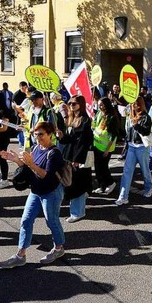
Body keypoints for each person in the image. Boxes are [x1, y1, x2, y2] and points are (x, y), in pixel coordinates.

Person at [0, 122, 66, 267]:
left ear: (50, 135)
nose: (37, 137)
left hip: (51, 192)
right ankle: (20, 255)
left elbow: (45, 175)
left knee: (51, 221)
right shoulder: (35, 148)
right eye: (35, 134)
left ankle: (59, 248)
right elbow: (29, 172)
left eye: (41, 134)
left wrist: (30, 164)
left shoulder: (54, 153)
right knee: (26, 221)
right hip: (35, 191)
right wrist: (16, 160)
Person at [115, 96, 152, 206]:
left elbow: (146, 132)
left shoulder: (146, 117)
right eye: (133, 104)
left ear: (141, 104)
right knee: (127, 172)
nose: (135, 106)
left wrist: (136, 126)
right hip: (132, 147)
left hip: (142, 147)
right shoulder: (130, 116)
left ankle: (149, 188)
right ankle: (123, 197)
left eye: (137, 104)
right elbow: (128, 132)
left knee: (145, 170)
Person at [61, 95, 93, 223]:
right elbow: (69, 139)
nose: (71, 106)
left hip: (78, 157)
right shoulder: (72, 119)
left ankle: (77, 212)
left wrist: (77, 159)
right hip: (70, 155)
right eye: (70, 103)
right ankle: (77, 209)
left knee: (76, 185)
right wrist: (61, 136)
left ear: (80, 104)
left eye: (74, 103)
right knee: (73, 183)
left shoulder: (85, 120)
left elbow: (84, 142)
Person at [92, 97, 120, 196]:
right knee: (97, 167)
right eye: (99, 105)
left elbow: (113, 135)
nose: (100, 107)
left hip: (105, 148)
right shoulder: (99, 114)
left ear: (107, 105)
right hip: (96, 145)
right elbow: (95, 125)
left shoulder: (111, 117)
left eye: (102, 105)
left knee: (103, 167)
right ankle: (101, 185)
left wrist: (107, 150)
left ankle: (110, 183)